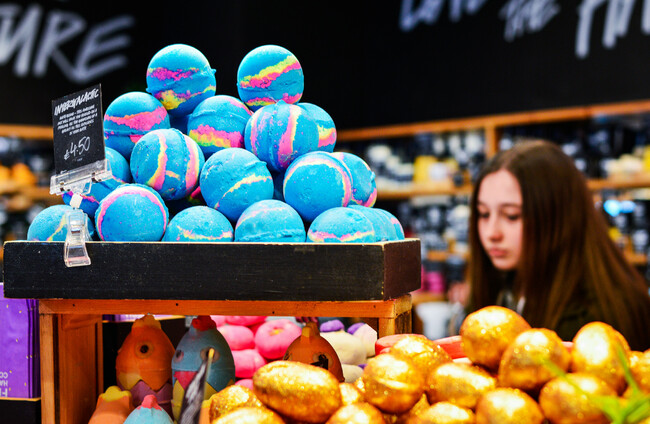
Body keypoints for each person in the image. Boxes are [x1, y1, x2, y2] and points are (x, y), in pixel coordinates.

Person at [466, 139, 650, 351]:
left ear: (559, 217)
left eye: (512, 215)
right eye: (483, 214)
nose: (491, 233)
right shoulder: (502, 287)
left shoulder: (598, 321)